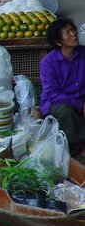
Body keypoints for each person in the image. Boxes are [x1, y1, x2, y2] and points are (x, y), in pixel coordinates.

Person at [39, 17, 85, 159]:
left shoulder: (83, 54)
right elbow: (53, 95)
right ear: (58, 42)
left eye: (73, 30)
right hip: (58, 104)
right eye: (68, 32)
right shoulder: (48, 63)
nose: (73, 34)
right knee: (66, 111)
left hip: (82, 98)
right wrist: (80, 104)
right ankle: (76, 150)